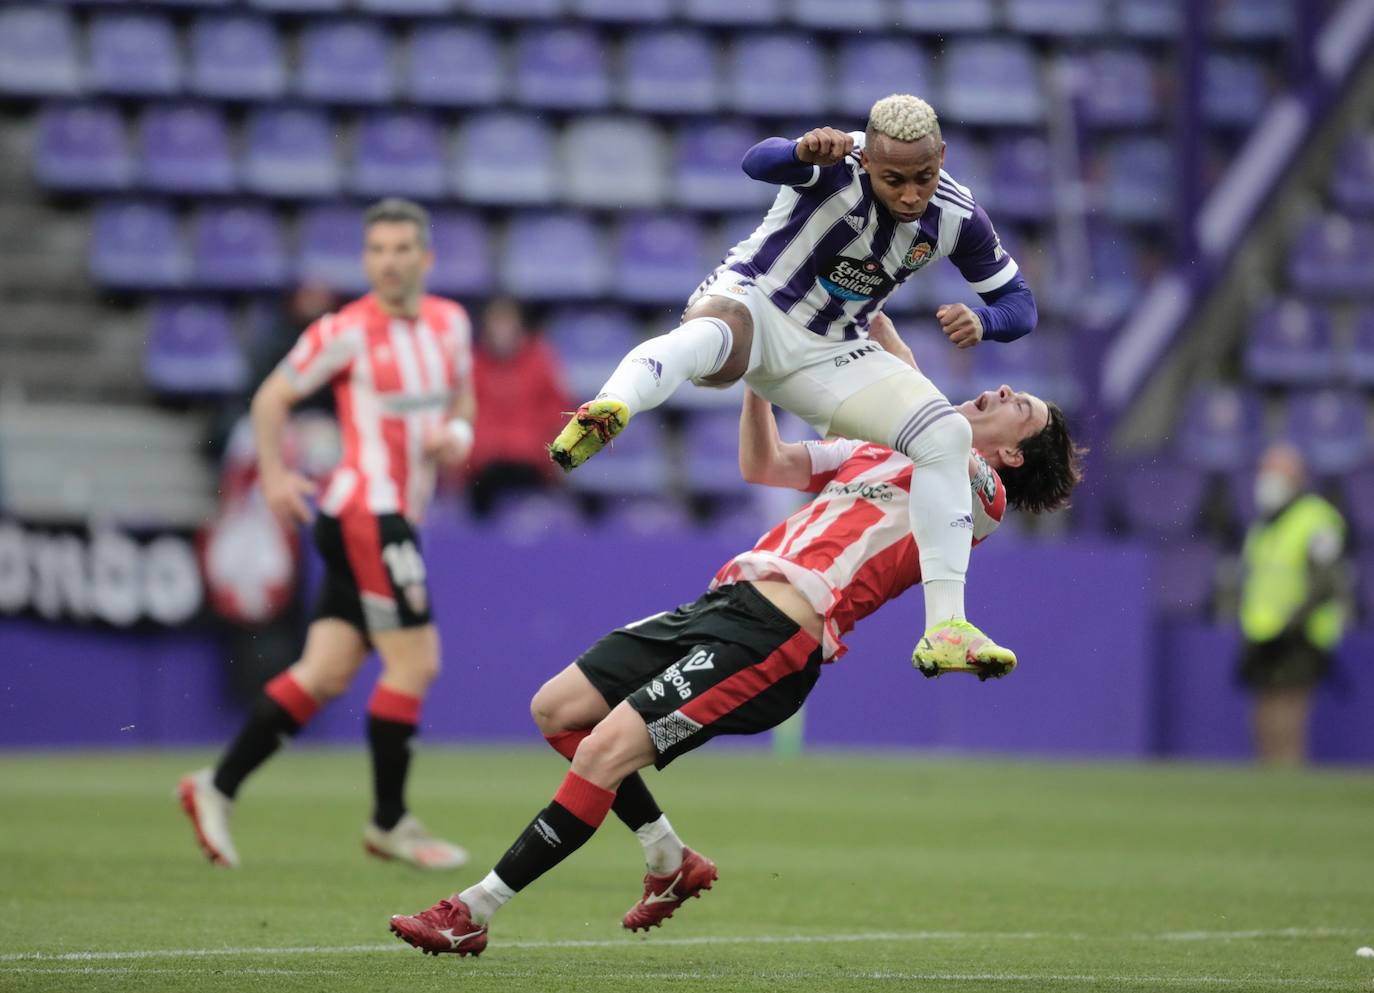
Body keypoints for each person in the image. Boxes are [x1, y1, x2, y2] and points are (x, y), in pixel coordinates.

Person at [390, 330, 1083, 956]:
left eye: (1018, 404)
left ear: (1013, 451)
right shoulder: (885, 447)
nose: (998, 390)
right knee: (558, 709)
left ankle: (473, 909)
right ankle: (669, 857)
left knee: (602, 749)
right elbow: (768, 462)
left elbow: (921, 406)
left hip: (776, 637)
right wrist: (760, 370)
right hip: (728, 601)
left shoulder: (977, 490)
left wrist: (875, 329)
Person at [549, 93, 1038, 680]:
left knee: (946, 434)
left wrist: (984, 322)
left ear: (943, 158)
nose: (911, 193)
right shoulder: (836, 163)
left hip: (835, 350)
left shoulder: (957, 216)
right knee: (717, 341)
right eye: (894, 179)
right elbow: (758, 162)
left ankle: (946, 628)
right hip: (757, 304)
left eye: (923, 177)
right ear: (868, 158)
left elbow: (1021, 304)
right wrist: (800, 149)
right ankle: (612, 407)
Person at [179, 198, 477, 869]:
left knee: (325, 670)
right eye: (377, 249)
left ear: (424, 258)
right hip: (367, 513)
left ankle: (216, 785)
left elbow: (463, 401)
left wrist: (457, 434)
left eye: (402, 248)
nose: (389, 261)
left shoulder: (450, 325)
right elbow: (270, 398)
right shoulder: (343, 330)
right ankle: (389, 821)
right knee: (415, 662)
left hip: (391, 515)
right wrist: (277, 477)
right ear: (366, 259)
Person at [1237, 442, 1349, 766]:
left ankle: (1288, 781)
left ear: (1297, 477)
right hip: (1264, 634)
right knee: (1262, 718)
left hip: (1300, 635)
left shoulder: (1317, 520)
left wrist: (1293, 624)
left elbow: (1326, 582)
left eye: (1275, 472)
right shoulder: (1265, 525)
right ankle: (1270, 791)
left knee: (1287, 714)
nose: (1266, 479)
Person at [467, 296, 571, 517]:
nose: (501, 330)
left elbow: (557, 411)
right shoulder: (471, 365)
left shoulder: (540, 360)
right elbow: (463, 414)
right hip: (484, 467)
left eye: (506, 322)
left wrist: (541, 448)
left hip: (532, 464)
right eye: (495, 323)